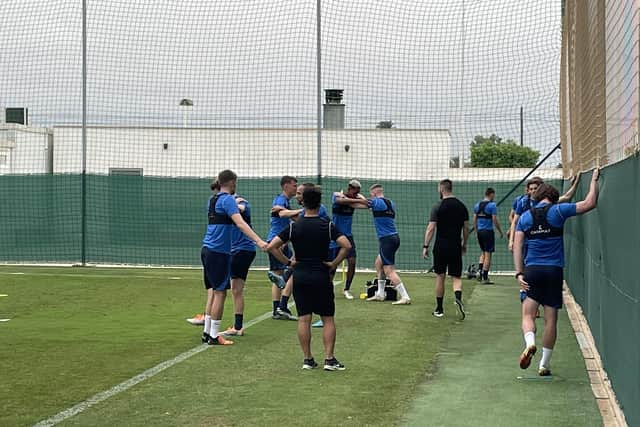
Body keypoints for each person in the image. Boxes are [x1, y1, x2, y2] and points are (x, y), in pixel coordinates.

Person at [514, 169, 599, 376]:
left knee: (527, 314)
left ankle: (530, 342)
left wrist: (519, 273)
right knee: (551, 319)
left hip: (532, 270)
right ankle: (544, 364)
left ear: (537, 196)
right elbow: (589, 203)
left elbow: (517, 246)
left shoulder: (525, 217)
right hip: (554, 271)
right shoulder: (559, 211)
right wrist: (594, 181)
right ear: (553, 198)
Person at [266, 185, 352, 371]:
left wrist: (289, 263)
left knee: (303, 319)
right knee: (328, 318)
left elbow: (272, 246)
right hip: (321, 275)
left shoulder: (294, 226)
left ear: (303, 202)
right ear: (319, 203)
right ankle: (329, 359)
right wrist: (334, 263)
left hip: (301, 276)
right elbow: (346, 245)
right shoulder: (327, 225)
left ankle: (308, 359)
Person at [201, 170, 267, 345]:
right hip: (219, 252)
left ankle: (207, 332)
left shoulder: (212, 200)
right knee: (220, 292)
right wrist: (259, 241)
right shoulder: (228, 200)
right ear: (232, 182)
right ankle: (214, 336)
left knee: (214, 291)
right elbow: (240, 222)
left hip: (207, 249)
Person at [354, 184, 411, 304]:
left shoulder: (377, 202)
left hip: (387, 239)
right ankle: (380, 294)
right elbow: (369, 205)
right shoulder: (390, 203)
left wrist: (350, 199)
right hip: (394, 237)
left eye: (371, 194)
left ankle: (405, 297)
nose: (371, 196)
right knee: (378, 263)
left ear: (374, 193)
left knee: (389, 270)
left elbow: (362, 204)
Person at [423, 179, 469, 319]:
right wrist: (464, 243)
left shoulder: (438, 206)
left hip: (441, 246)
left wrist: (425, 246)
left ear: (442, 189)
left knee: (440, 276)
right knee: (456, 276)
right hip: (455, 245)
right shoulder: (462, 206)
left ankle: (439, 309)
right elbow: (466, 228)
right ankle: (458, 298)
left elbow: (431, 228)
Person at [220, 193, 256, 337]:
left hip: (242, 250)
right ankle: (238, 326)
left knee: (234, 289)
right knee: (235, 289)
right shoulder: (229, 203)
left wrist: (234, 203)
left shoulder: (242, 203)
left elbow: (240, 208)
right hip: (239, 250)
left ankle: (237, 327)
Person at [266, 176, 301, 320]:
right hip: (277, 241)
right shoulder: (281, 200)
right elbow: (281, 213)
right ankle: (278, 309)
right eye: (294, 186)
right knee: (281, 274)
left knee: (284, 273)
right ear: (286, 186)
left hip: (282, 241)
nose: (296, 188)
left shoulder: (285, 202)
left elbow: (290, 216)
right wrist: (302, 210)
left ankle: (279, 308)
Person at [330, 179, 368, 299]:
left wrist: (360, 198)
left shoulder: (352, 202)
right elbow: (339, 199)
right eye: (355, 191)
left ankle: (346, 289)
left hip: (348, 236)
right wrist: (358, 199)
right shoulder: (338, 198)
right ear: (350, 188)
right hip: (335, 236)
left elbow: (366, 204)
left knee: (352, 262)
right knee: (332, 265)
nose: (356, 194)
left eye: (358, 192)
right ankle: (327, 288)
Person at [473, 187, 504, 284]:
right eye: (493, 195)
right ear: (491, 194)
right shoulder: (492, 205)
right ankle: (485, 277)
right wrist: (500, 231)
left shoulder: (477, 205)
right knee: (488, 254)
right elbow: (494, 219)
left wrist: (476, 230)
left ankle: (479, 271)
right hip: (488, 232)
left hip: (480, 232)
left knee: (483, 252)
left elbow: (474, 219)